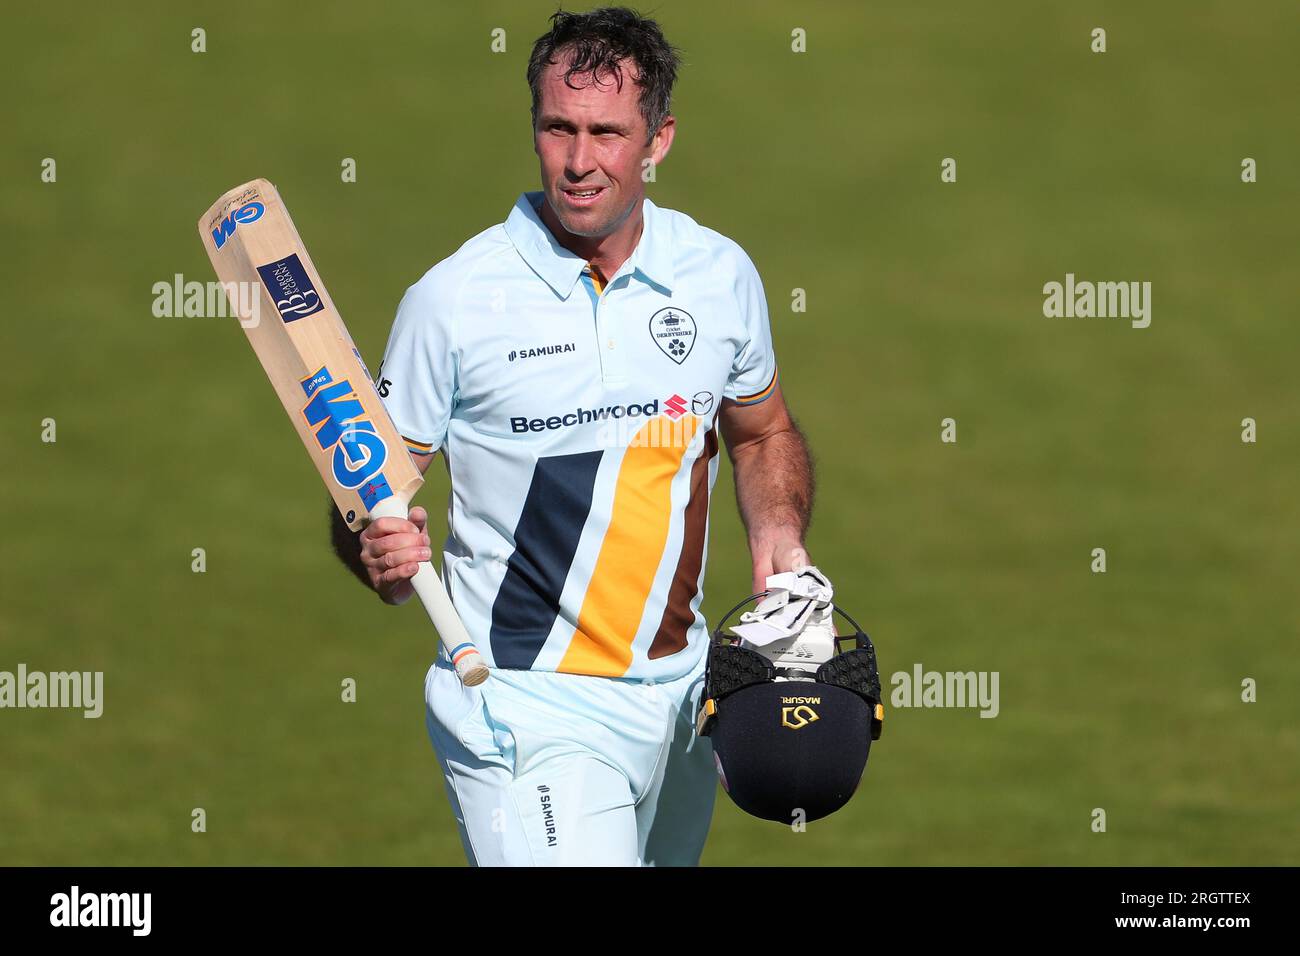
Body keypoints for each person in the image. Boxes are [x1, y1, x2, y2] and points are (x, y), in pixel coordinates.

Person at [332, 6, 814, 866]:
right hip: (524, 703)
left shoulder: (719, 276)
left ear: (659, 139)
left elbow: (760, 431)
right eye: (559, 128)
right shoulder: (452, 301)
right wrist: (374, 547)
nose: (580, 161)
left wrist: (779, 535)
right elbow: (368, 497)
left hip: (683, 701)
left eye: (607, 132)